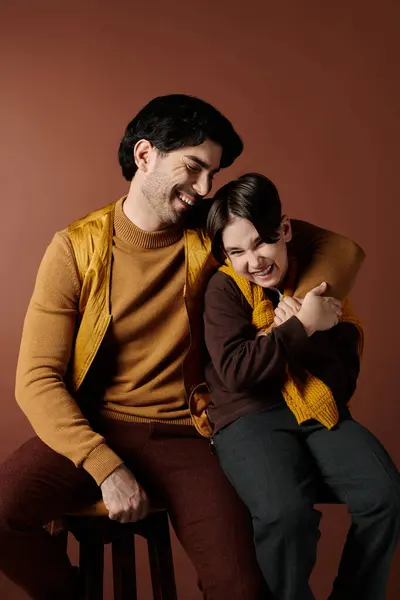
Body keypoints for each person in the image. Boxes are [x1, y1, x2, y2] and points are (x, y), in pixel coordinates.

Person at [0, 96, 365, 600]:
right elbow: (36, 378)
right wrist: (104, 466)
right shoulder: (74, 248)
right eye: (193, 169)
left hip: (189, 432)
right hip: (94, 426)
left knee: (242, 586)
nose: (205, 189)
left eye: (212, 174)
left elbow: (342, 250)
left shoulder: (212, 233)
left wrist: (301, 315)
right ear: (145, 155)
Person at [203, 172, 400, 600]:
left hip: (317, 407)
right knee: (285, 514)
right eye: (237, 251)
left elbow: (344, 379)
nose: (253, 260)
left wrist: (305, 328)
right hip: (246, 415)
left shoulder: (319, 282)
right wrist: (300, 327)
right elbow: (237, 372)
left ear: (286, 230)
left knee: (385, 494)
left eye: (261, 243)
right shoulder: (224, 288)